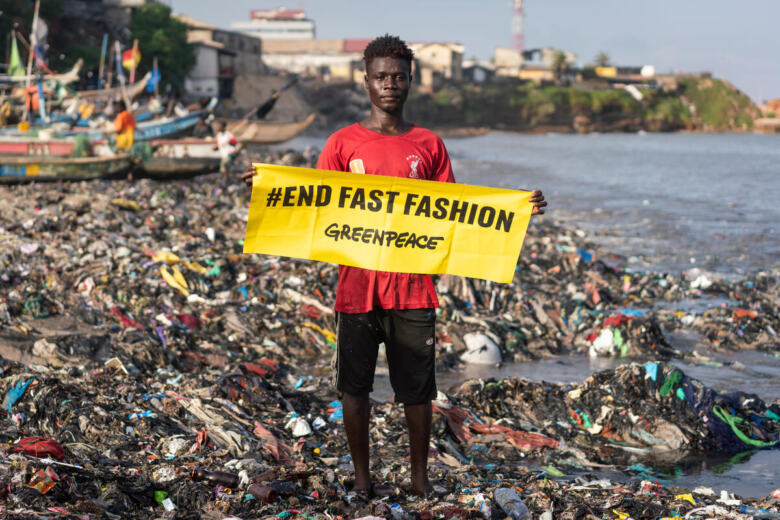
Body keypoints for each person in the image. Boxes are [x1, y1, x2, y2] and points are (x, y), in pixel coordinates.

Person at [242, 35, 546, 500]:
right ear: (365, 82)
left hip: (413, 290)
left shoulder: (429, 144)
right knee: (354, 389)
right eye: (381, 77)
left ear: (410, 81)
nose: (390, 85)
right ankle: (363, 479)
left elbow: (453, 213)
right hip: (357, 289)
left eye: (398, 77)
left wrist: (517, 210)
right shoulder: (342, 144)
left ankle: (419, 477)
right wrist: (270, 188)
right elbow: (315, 205)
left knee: (418, 392)